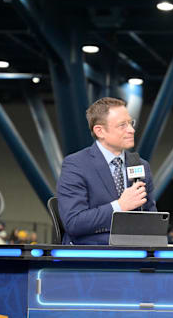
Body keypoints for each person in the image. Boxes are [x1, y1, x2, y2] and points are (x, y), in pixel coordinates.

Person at [57, 97, 156, 245]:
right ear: (100, 131)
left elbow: (151, 218)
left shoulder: (140, 165)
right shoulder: (76, 165)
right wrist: (119, 206)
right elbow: (74, 222)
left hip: (135, 252)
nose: (131, 130)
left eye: (131, 123)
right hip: (91, 255)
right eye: (122, 125)